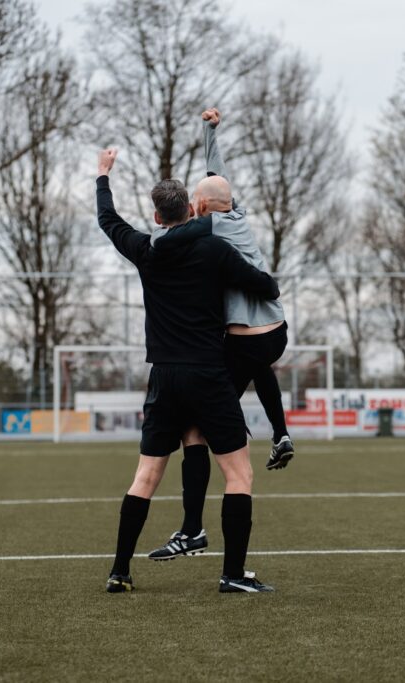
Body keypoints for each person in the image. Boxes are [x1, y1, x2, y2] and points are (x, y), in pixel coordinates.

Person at [95, 146, 277, 594]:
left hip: (164, 379)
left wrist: (103, 176)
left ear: (157, 217)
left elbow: (108, 220)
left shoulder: (145, 250)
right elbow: (264, 284)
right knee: (239, 475)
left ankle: (120, 572)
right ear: (191, 209)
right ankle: (233, 576)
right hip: (209, 375)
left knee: (145, 476)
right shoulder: (214, 249)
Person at [145, 108, 295, 563]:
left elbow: (168, 236)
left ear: (203, 207)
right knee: (254, 370)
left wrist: (151, 235)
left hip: (246, 336)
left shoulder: (207, 226)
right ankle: (282, 434)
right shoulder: (236, 212)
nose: (192, 203)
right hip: (273, 331)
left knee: (194, 426)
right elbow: (218, 175)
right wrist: (209, 130)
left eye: (196, 200)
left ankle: (192, 529)